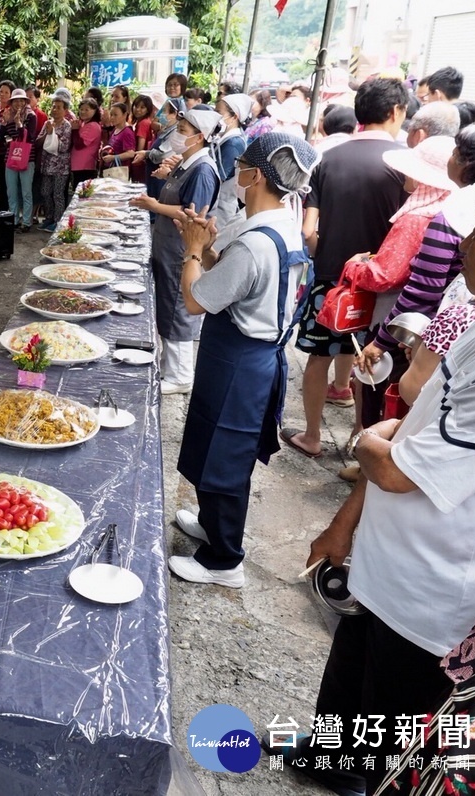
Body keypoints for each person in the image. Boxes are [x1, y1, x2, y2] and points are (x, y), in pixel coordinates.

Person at [278, 190, 475, 796]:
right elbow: (417, 423)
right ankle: (325, 759)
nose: (468, 245)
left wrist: (371, 438)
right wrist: (346, 520)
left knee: (395, 714)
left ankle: (362, 780)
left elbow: (397, 467)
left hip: (433, 585)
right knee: (352, 660)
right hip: (388, 562)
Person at [168, 133, 318, 587]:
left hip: (241, 359)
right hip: (242, 354)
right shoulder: (277, 225)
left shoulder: (257, 243)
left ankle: (224, 559)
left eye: (241, 166)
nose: (236, 171)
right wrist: (206, 246)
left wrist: (194, 250)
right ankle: (212, 523)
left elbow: (196, 299)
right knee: (213, 443)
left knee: (228, 457)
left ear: (253, 175)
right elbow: (232, 278)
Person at [282, 77, 410, 458]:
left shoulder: (327, 158)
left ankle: (311, 436)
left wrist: (331, 255)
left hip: (329, 281)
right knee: (370, 360)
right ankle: (359, 435)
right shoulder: (403, 162)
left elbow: (308, 230)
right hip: (380, 288)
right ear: (395, 112)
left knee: (318, 357)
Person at [358, 125, 475, 403]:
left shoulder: (455, 214)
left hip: (443, 339)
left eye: (456, 153)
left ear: (469, 165)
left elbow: (423, 290)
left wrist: (381, 342)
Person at [130, 108, 223, 394]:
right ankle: (169, 365)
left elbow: (193, 213)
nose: (178, 135)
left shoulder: (203, 170)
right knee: (167, 303)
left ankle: (181, 374)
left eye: (182, 130)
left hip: (180, 249)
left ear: (199, 137)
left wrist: (155, 206)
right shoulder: (185, 163)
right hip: (167, 245)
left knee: (177, 308)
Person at [212, 92, 256, 249]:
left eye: (219, 112)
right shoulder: (225, 138)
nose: (215, 116)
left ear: (234, 116)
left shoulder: (233, 143)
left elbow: (218, 175)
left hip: (222, 205)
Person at [0, 88, 39, 232]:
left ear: (25, 102)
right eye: (15, 100)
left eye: (21, 100)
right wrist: (6, 123)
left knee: (26, 191)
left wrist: (20, 124)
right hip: (11, 157)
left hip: (27, 158)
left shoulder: (31, 116)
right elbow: (3, 136)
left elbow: (30, 138)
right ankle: (14, 219)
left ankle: (26, 222)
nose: (18, 103)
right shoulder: (8, 115)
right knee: (11, 190)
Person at [37, 95, 73, 232]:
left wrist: (53, 135)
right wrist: (47, 133)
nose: (55, 110)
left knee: (58, 194)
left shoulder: (66, 125)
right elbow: (38, 142)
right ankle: (49, 217)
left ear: (65, 110)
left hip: (60, 167)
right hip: (47, 165)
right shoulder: (48, 123)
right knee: (45, 192)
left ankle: (58, 222)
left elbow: (64, 147)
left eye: (58, 107)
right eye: (53, 106)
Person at [0, 80, 17, 212]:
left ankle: (5, 211)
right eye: (1, 91)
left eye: (6, 92)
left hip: (7, 152)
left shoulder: (12, 111)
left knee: (5, 184)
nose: (2, 94)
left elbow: (9, 134)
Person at [70, 98, 103, 190]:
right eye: (81, 109)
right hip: (78, 166)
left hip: (85, 167)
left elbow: (79, 144)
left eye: (87, 109)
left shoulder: (93, 126)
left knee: (83, 195)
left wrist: (75, 130)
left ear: (95, 111)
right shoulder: (84, 123)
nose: (83, 112)